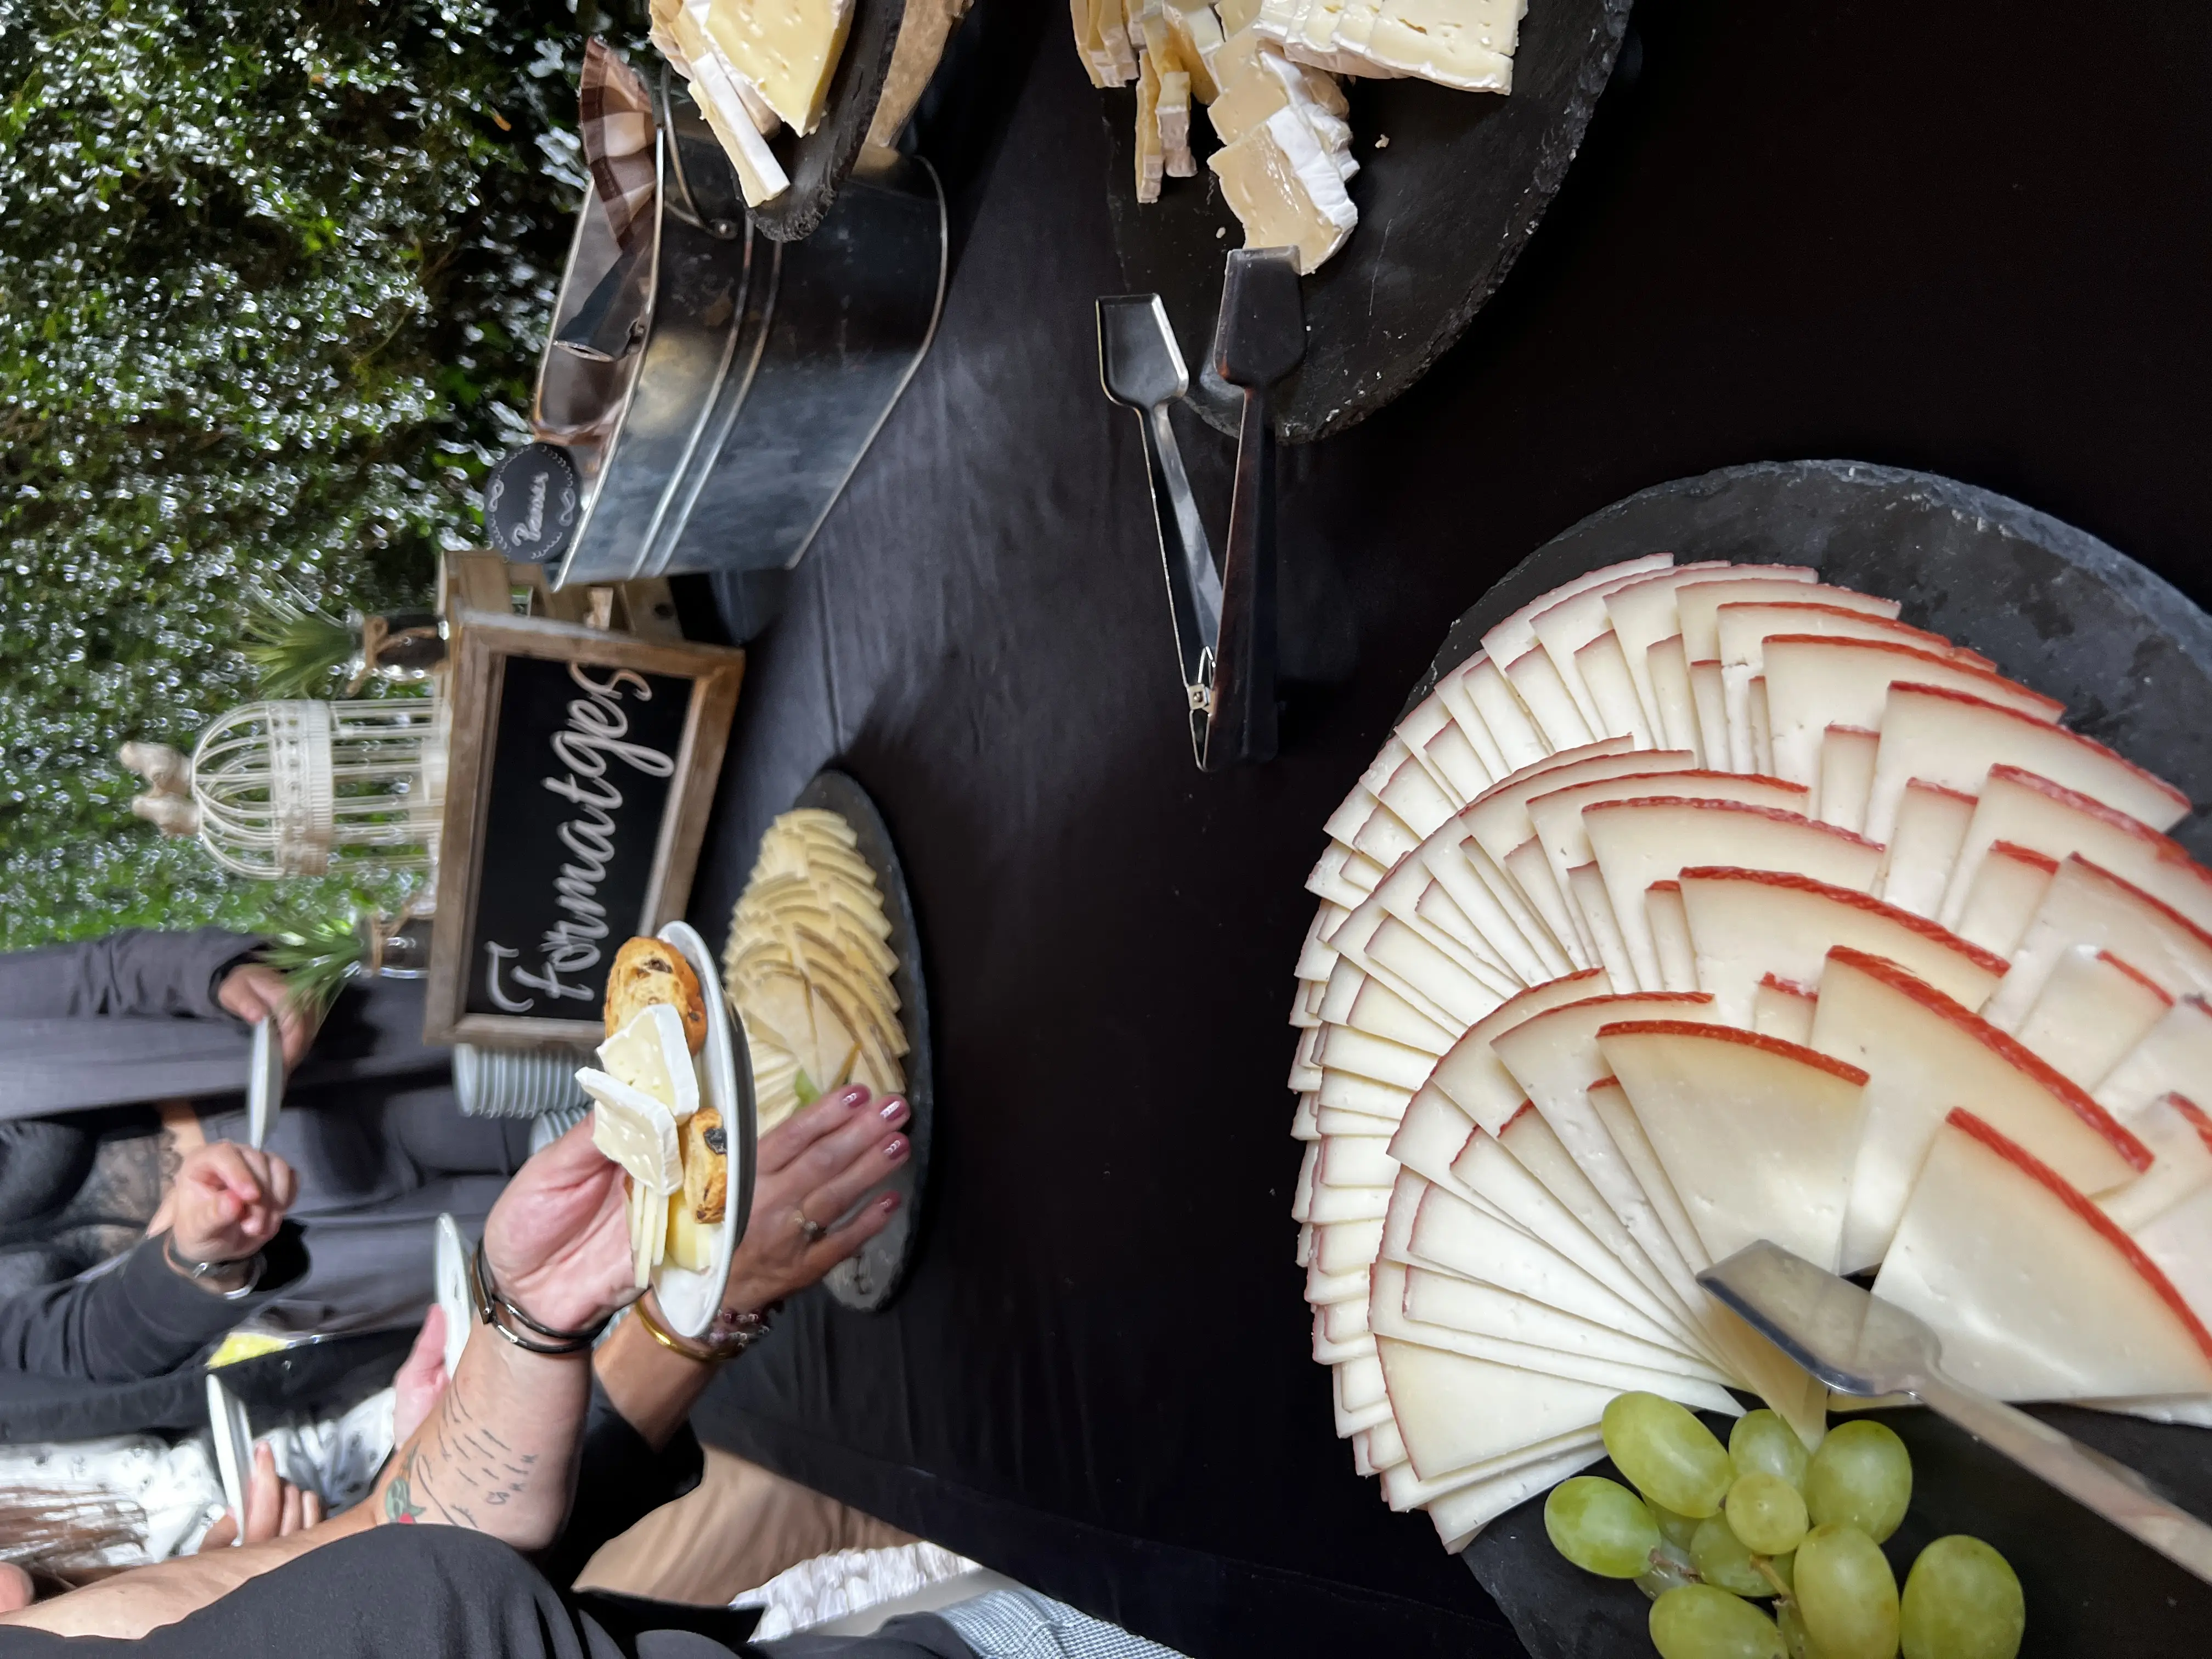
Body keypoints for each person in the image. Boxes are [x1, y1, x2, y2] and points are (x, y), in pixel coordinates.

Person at [0, 926, 545, 1432]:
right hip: (317, 1265)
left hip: (325, 1064)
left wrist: (219, 976)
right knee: (569, 1235)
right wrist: (192, 1264)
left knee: (574, 1053)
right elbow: (83, 1358)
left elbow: (104, 974)